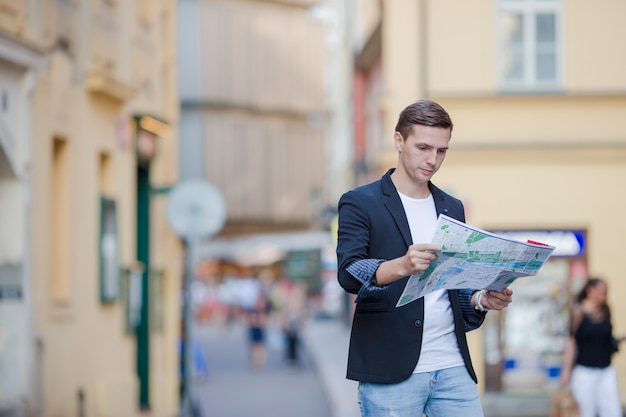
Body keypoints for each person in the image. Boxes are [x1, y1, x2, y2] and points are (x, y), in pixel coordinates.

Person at [336, 99, 513, 417]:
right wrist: (400, 266)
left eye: (442, 150)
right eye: (423, 147)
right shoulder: (360, 202)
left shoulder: (452, 206)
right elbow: (348, 273)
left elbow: (452, 283)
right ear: (399, 141)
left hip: (452, 366)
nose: (433, 159)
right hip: (390, 367)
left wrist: (481, 299)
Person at [560, 278, 625, 417]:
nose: (603, 295)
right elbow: (572, 342)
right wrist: (566, 371)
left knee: (613, 411)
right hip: (585, 370)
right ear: (590, 291)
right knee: (586, 411)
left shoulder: (605, 310)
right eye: (601, 292)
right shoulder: (578, 312)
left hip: (606, 369)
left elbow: (608, 337)